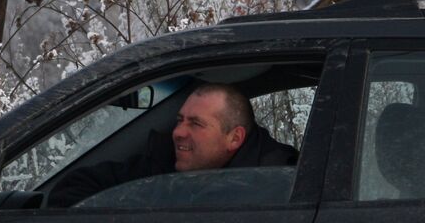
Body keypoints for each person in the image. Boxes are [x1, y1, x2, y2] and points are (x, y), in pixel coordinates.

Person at [47, 83, 298, 207]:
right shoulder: (160, 164)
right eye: (179, 120)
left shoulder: (281, 185)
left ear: (234, 138)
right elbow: (73, 191)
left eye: (196, 124)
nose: (178, 132)